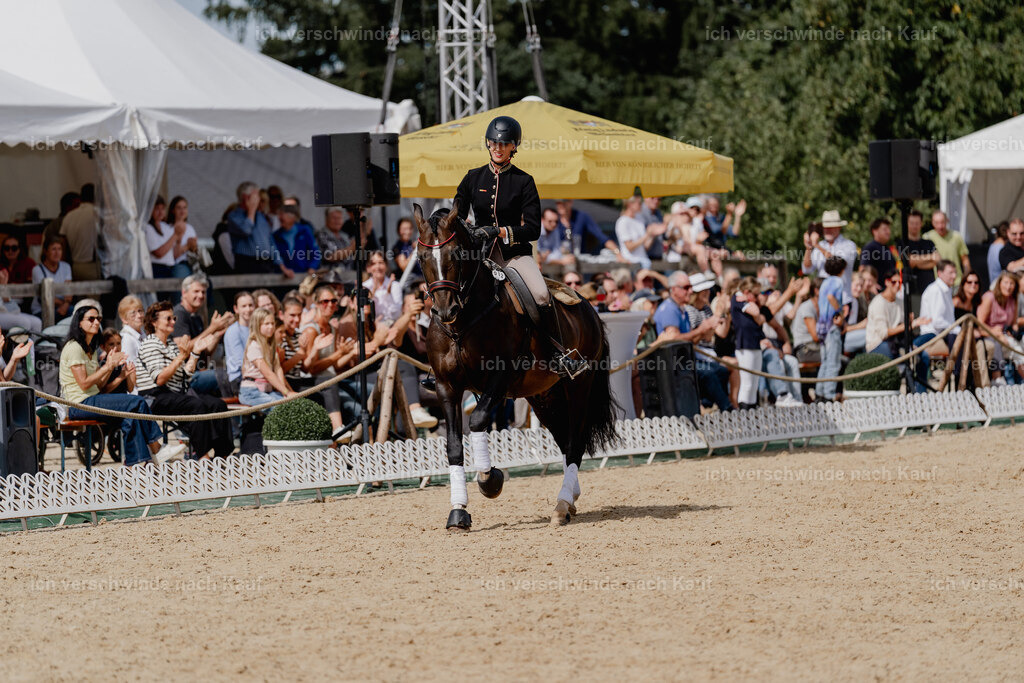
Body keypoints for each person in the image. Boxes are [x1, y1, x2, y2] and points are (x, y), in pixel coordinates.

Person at [453, 114, 585, 378]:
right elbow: (456, 215)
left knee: (540, 295)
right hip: (478, 254)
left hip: (513, 254)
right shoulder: (472, 178)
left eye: (504, 144)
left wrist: (500, 231)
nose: (498, 149)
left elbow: (533, 228)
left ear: (514, 147)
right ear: (487, 144)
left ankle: (559, 352)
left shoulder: (524, 181)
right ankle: (445, 360)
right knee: (449, 292)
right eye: (493, 143)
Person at [59, 305, 185, 466]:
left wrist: (111, 368)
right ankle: (156, 448)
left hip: (92, 399)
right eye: (91, 319)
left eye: (98, 319)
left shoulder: (91, 349)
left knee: (130, 418)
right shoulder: (74, 347)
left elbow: (99, 386)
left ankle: (136, 464)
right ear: (79, 323)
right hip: (78, 404)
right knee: (137, 402)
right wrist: (107, 367)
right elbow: (83, 384)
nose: (96, 322)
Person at [136, 301, 234, 460]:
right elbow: (160, 378)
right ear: (154, 323)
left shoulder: (171, 345)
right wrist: (182, 356)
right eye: (168, 319)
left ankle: (222, 455)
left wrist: (195, 353)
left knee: (218, 404)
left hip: (176, 393)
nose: (173, 322)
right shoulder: (150, 344)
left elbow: (184, 375)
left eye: (173, 318)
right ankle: (202, 456)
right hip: (155, 397)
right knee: (196, 405)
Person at [653, 271, 733, 411]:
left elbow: (690, 339)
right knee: (709, 374)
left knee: (721, 371)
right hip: (674, 364)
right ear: (674, 289)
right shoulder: (670, 310)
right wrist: (701, 329)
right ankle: (726, 409)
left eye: (690, 287)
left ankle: (707, 406)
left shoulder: (680, 308)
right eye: (686, 287)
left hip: (685, 360)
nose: (690, 291)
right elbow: (673, 339)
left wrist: (703, 331)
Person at [300, 285, 358, 439]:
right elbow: (312, 368)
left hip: (330, 379)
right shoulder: (311, 330)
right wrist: (340, 353)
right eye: (325, 301)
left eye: (333, 301)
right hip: (312, 381)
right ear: (317, 304)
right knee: (331, 382)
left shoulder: (333, 328)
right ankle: (338, 428)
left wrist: (350, 352)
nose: (330, 305)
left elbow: (335, 364)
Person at [172, 274, 233, 396]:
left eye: (203, 292)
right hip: (183, 377)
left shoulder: (197, 317)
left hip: (199, 371)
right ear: (184, 293)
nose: (200, 296)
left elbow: (206, 354)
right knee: (228, 375)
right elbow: (184, 348)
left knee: (231, 374)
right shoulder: (179, 314)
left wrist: (217, 333)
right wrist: (212, 328)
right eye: (196, 291)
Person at [226, 181, 294, 277]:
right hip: (247, 263)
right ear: (246, 197)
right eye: (256, 196)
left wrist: (282, 266)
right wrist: (251, 210)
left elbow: (271, 242)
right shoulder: (234, 216)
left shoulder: (261, 217)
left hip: (265, 264)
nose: (259, 199)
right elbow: (246, 230)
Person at [914, 260, 961, 387]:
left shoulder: (945, 290)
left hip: (942, 334)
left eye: (955, 272)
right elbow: (937, 322)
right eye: (950, 272)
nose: (954, 276)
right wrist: (957, 329)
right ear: (939, 273)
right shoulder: (935, 290)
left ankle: (962, 380)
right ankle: (958, 379)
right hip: (932, 336)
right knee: (958, 338)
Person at [239, 308, 295, 408]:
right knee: (280, 408)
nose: (271, 327)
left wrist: (284, 392)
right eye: (266, 324)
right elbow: (268, 373)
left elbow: (278, 369)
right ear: (258, 325)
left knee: (291, 405)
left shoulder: (271, 346)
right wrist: (286, 391)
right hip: (251, 391)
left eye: (272, 323)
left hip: (267, 390)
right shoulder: (254, 346)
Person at [977, 271, 1022, 384]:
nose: (1008, 286)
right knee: (996, 344)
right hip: (987, 333)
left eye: (1011, 283)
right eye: (1006, 282)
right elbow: (979, 322)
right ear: (999, 283)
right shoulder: (989, 297)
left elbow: (1013, 323)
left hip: (1005, 335)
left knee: (1019, 349)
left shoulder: (1013, 299)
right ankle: (997, 379)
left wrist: (1013, 331)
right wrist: (994, 332)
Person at [815, 256, 849, 401]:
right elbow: (831, 297)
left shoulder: (824, 282)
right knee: (833, 363)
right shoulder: (837, 281)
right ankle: (829, 394)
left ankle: (820, 392)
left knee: (825, 362)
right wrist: (839, 313)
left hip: (822, 325)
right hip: (832, 326)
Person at [730, 277, 767, 409]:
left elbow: (760, 320)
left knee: (754, 381)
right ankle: (744, 411)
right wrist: (751, 302)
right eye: (755, 294)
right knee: (747, 382)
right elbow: (756, 312)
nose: (757, 298)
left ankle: (752, 409)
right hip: (744, 346)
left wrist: (752, 302)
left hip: (754, 344)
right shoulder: (737, 298)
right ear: (747, 291)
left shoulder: (747, 301)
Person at [802, 210, 858, 295]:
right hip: (822, 297)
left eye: (831, 227)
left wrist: (816, 245)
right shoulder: (820, 245)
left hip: (842, 297)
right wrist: (808, 248)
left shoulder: (849, 245)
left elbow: (838, 264)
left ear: (839, 227)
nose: (827, 230)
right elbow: (807, 269)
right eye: (825, 227)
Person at [897, 209, 939, 314]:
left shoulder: (929, 243)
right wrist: (929, 257)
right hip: (912, 289)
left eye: (917, 223)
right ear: (907, 224)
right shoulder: (902, 242)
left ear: (921, 224)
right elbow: (909, 261)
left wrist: (917, 261)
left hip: (930, 286)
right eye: (911, 223)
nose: (914, 226)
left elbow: (937, 260)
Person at [146, 195, 196, 280]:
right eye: (157, 209)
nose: (160, 212)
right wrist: (177, 236)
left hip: (171, 266)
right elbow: (159, 253)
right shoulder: (148, 228)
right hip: (158, 268)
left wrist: (185, 243)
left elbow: (174, 252)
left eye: (162, 209)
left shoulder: (165, 227)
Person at [59, 183, 101, 281]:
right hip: (92, 266)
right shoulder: (97, 214)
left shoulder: (69, 216)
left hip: (75, 266)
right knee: (93, 296)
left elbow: (63, 244)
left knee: (80, 296)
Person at [555, 198, 623, 258]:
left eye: (564, 202)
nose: (561, 205)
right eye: (558, 202)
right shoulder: (553, 220)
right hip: (558, 261)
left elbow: (601, 236)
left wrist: (617, 252)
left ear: (571, 202)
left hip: (579, 262)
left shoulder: (581, 216)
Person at [31, 235, 73, 319]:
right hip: (41, 310)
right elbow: (45, 296)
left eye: (59, 249)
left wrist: (66, 304)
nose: (57, 253)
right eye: (53, 249)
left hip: (64, 307)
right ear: (46, 251)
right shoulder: (37, 270)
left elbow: (69, 291)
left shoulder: (66, 267)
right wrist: (63, 305)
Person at [924, 210, 970, 286]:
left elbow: (965, 259)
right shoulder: (927, 237)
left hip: (956, 282)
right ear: (932, 223)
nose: (940, 226)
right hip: (937, 283)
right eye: (937, 223)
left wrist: (967, 276)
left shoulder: (956, 237)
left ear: (947, 221)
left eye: (942, 222)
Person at [664, 201, 712, 273]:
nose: (684, 216)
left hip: (686, 260)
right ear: (674, 215)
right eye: (681, 214)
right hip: (673, 262)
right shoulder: (671, 225)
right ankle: (706, 271)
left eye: (686, 213)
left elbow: (691, 244)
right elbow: (670, 240)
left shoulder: (689, 225)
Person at [223, 291, 255, 394]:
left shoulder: (257, 328)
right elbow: (241, 362)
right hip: (239, 379)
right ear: (236, 309)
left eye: (250, 305)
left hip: (256, 375)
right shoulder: (233, 331)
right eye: (244, 306)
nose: (248, 309)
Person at [615, 195, 660, 268]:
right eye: (639, 203)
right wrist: (646, 235)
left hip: (644, 261)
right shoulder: (623, 222)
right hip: (631, 263)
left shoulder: (639, 220)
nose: (641, 205)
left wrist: (652, 234)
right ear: (630, 204)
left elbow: (645, 247)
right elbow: (629, 247)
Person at [274, 204, 320, 274]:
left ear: (293, 217)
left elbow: (316, 253)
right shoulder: (276, 235)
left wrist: (312, 267)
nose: (279, 218)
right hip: (283, 276)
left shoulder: (304, 231)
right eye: (279, 216)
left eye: (282, 215)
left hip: (304, 274)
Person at [362, 251, 403, 326]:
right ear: (368, 268)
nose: (378, 267)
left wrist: (388, 293)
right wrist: (372, 292)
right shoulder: (364, 286)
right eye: (373, 264)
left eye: (381, 263)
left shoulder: (395, 285)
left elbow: (397, 314)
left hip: (391, 325)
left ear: (386, 266)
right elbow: (363, 312)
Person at [859, 217, 897, 282]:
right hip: (877, 291)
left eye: (889, 229)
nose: (888, 232)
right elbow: (862, 269)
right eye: (885, 229)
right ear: (875, 231)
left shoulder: (887, 248)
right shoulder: (870, 248)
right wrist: (871, 285)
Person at [117, 295, 146, 365]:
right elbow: (131, 368)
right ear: (124, 319)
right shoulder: (127, 339)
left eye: (140, 311)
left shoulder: (142, 334)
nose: (139, 316)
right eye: (133, 314)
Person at [638, 196, 666, 261]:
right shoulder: (639, 213)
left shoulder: (658, 213)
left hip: (657, 256)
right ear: (645, 198)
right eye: (652, 198)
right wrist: (652, 232)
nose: (656, 201)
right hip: (644, 258)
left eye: (659, 199)